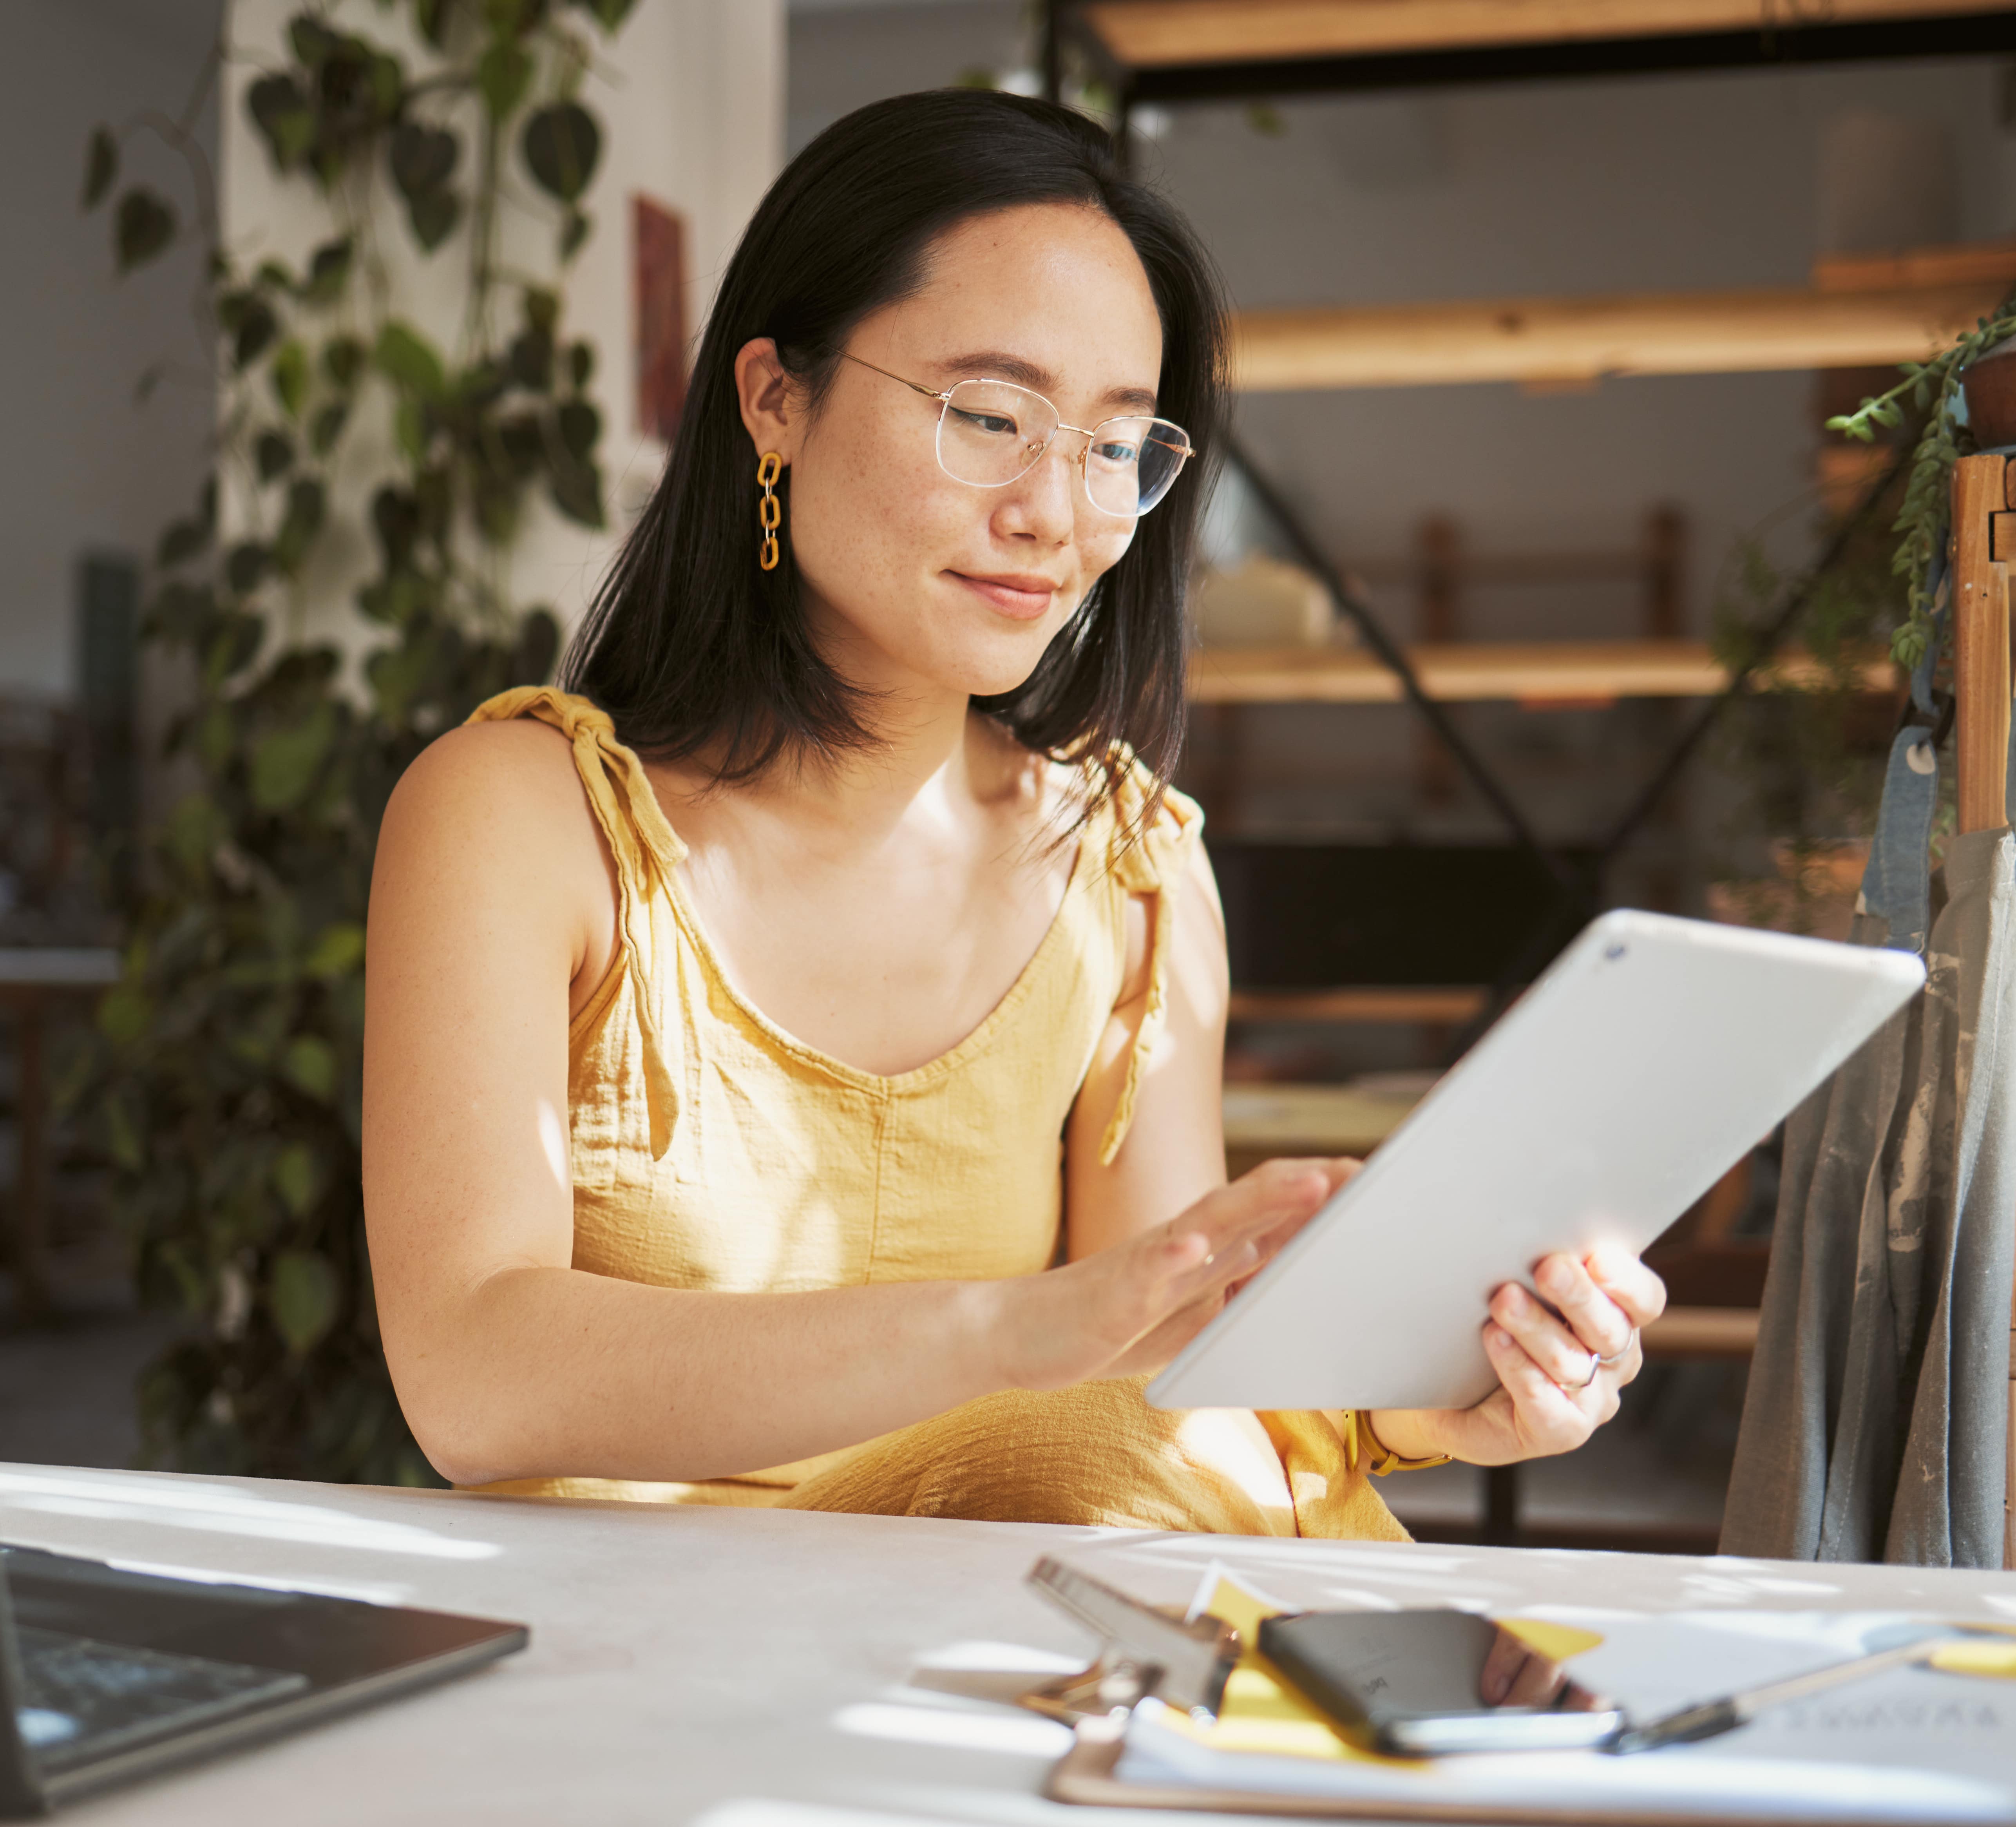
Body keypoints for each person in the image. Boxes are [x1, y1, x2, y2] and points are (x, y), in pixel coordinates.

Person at [362, 90, 1660, 1541]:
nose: (1059, 510)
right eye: (990, 416)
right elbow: (469, 1378)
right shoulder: (525, 820)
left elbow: (1155, 1362)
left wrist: (1423, 1397)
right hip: (643, 1682)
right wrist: (1012, 1332)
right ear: (772, 399)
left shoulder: (1127, 866)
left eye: (1117, 447)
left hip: (992, 1670)